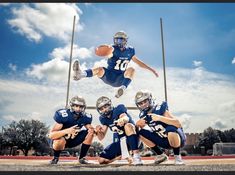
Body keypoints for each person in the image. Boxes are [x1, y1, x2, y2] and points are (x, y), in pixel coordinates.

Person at [73, 31, 159, 98]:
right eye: (116, 39)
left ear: (125, 40)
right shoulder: (113, 48)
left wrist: (151, 69)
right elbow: (109, 51)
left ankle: (122, 89)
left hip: (121, 78)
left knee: (132, 69)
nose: (118, 42)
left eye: (120, 39)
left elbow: (139, 63)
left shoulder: (130, 50)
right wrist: (105, 50)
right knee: (100, 69)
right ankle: (80, 74)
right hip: (109, 75)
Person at [134, 90, 187, 165]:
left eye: (145, 101)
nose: (143, 105)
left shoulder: (159, 109)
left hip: (178, 138)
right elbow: (137, 134)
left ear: (150, 99)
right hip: (164, 141)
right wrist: (137, 125)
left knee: (171, 130)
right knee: (141, 133)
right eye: (140, 103)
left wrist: (160, 118)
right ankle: (161, 155)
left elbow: (178, 124)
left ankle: (177, 157)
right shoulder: (144, 115)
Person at [94, 96, 143, 165]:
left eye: (105, 107)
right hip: (122, 142)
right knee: (101, 160)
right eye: (101, 109)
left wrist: (122, 119)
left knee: (127, 126)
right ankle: (120, 156)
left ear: (110, 105)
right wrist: (98, 131)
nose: (104, 110)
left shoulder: (118, 109)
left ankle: (136, 156)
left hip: (134, 138)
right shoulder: (103, 119)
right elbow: (101, 137)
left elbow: (125, 117)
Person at [48, 96, 95, 164]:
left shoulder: (85, 117)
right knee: (59, 141)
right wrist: (67, 131)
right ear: (71, 106)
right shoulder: (64, 115)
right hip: (61, 140)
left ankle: (82, 158)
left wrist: (96, 129)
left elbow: (91, 129)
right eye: (76, 106)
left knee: (90, 132)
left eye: (80, 106)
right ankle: (55, 158)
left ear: (83, 107)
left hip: (73, 139)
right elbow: (51, 135)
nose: (78, 109)